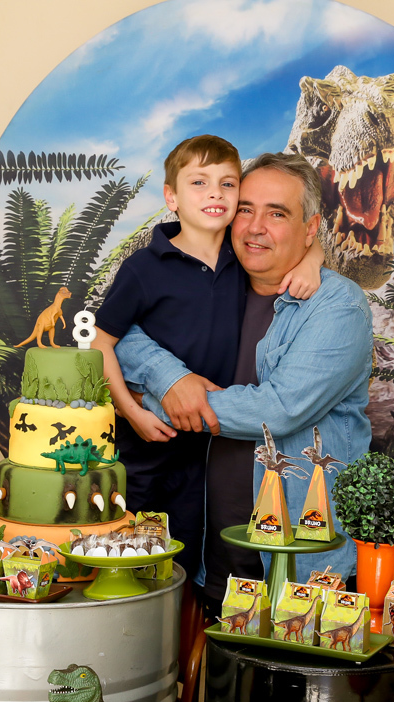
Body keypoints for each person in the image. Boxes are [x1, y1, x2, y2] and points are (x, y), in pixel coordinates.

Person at [116, 152, 373, 610]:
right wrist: (171, 379)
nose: (255, 227)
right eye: (246, 209)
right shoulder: (215, 283)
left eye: (277, 214)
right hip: (208, 558)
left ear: (311, 229)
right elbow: (121, 331)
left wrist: (153, 400)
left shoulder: (338, 306)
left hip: (300, 566)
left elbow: (278, 409)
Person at [92, 136, 321, 578]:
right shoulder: (145, 267)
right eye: (199, 183)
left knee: (188, 561)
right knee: (127, 556)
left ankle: (182, 623)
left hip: (206, 453)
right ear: (171, 197)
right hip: (144, 445)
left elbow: (302, 237)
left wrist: (312, 260)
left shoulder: (242, 258)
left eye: (227, 184)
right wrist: (132, 413)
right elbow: (101, 341)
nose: (215, 193)